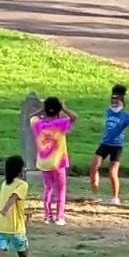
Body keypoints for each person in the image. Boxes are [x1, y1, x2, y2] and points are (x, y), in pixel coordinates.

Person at [92, 84, 129, 207]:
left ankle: (115, 197)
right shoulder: (108, 112)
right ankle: (95, 194)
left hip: (116, 146)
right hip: (104, 143)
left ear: (121, 102)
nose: (114, 103)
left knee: (113, 172)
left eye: (116, 101)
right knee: (94, 167)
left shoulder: (126, 116)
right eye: (112, 101)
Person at [29, 97, 77, 226]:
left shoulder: (38, 124)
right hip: (58, 163)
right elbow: (74, 117)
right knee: (61, 189)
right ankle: (59, 216)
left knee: (48, 188)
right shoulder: (60, 124)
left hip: (44, 162)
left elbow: (31, 116)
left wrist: (42, 109)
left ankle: (47, 215)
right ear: (58, 111)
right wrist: (64, 108)